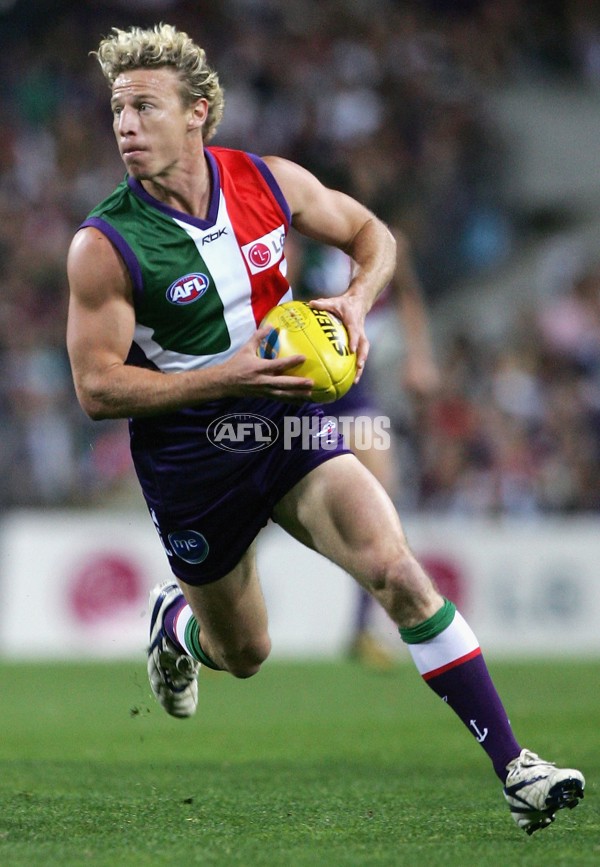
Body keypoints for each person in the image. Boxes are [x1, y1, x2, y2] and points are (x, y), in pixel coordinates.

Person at [66, 24, 584, 836]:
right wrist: (228, 374)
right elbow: (96, 387)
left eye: (144, 107)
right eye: (117, 111)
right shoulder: (104, 245)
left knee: (398, 571)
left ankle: (518, 767)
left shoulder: (268, 183)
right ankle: (178, 623)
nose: (125, 125)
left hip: (290, 428)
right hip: (192, 460)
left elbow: (376, 236)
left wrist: (355, 300)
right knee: (246, 654)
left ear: (198, 112)